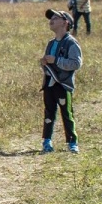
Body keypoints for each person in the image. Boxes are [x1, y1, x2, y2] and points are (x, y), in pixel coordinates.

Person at [40, 8, 83, 154]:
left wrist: (56, 60)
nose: (51, 20)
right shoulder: (50, 43)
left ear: (65, 23)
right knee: (49, 113)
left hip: (63, 85)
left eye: (55, 18)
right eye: (51, 18)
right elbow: (47, 64)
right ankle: (46, 141)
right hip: (49, 84)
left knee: (67, 113)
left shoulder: (71, 43)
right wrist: (44, 63)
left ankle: (72, 142)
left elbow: (76, 63)